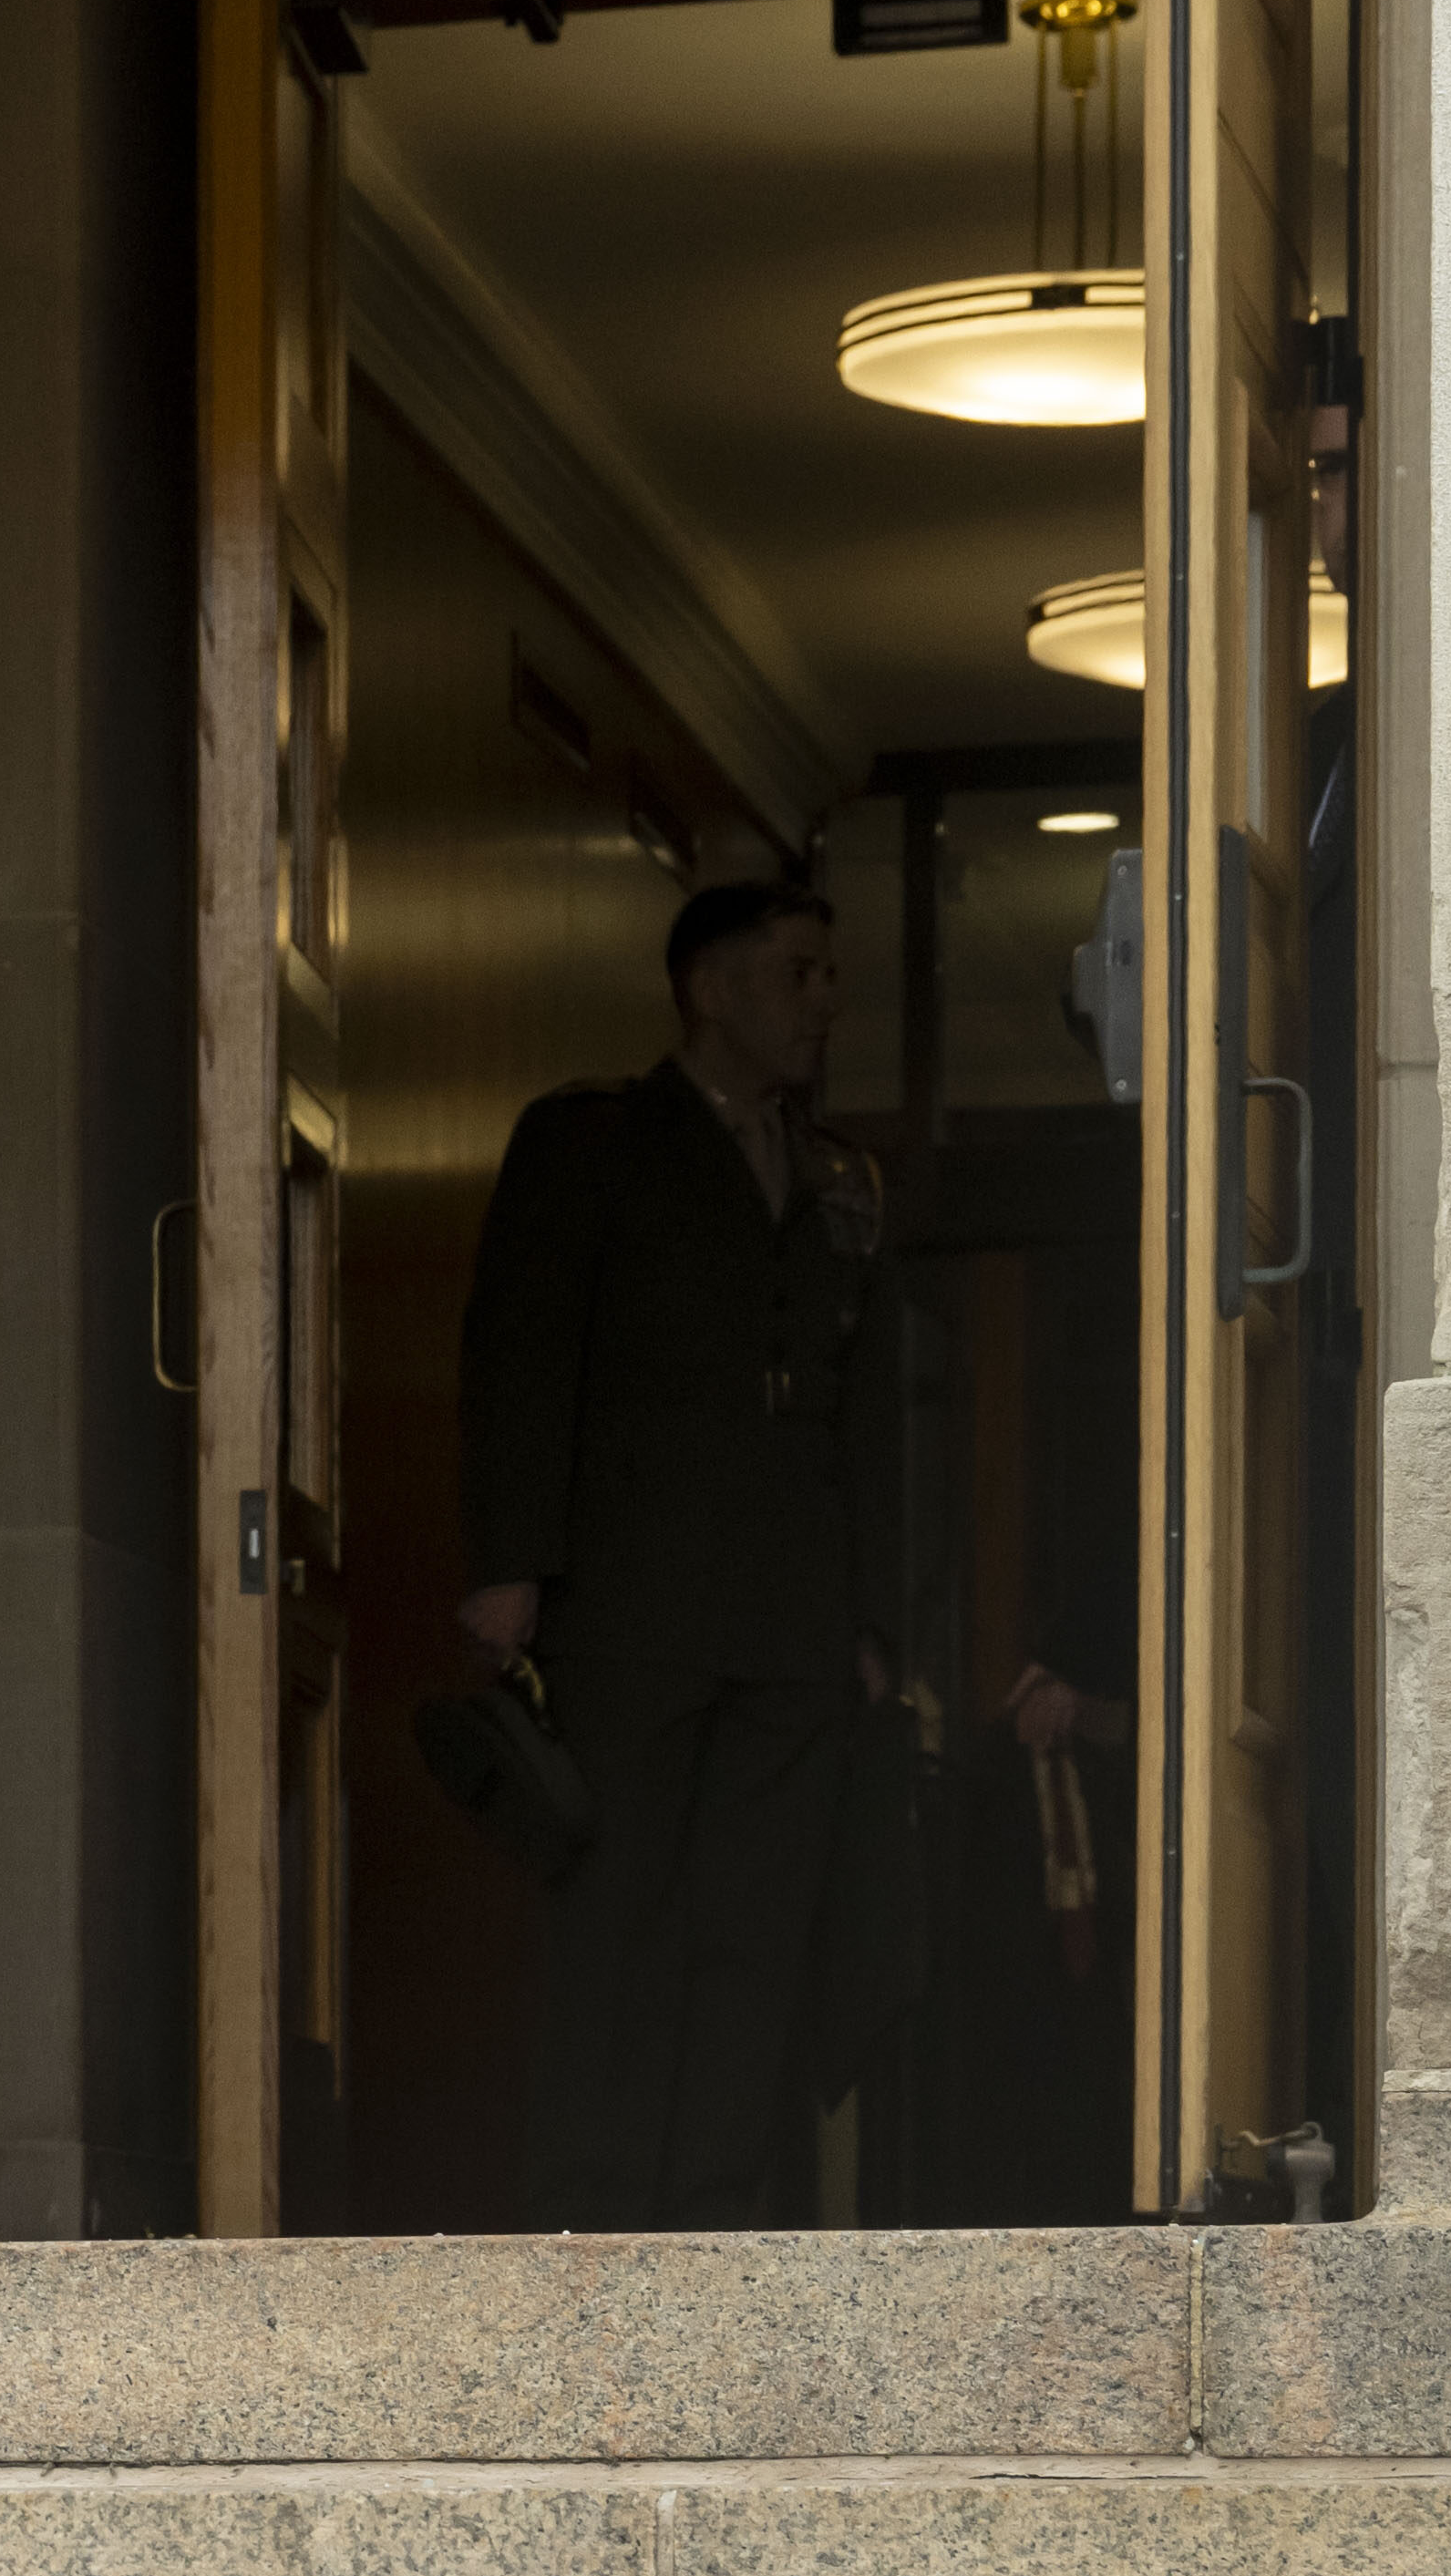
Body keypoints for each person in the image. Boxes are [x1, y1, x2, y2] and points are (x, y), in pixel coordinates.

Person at [458, 876, 894, 2229]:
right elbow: (520, 1348)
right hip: (629, 1606)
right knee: (620, 1927)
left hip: (789, 1622)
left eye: (829, 973)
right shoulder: (589, 1141)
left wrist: (871, 1614)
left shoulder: (839, 1179)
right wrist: (506, 1562)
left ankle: (718, 2220)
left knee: (759, 1935)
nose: (824, 1000)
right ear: (708, 986)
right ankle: (590, 2222)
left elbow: (864, 1409)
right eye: (796, 971)